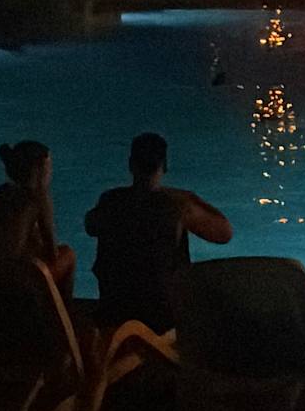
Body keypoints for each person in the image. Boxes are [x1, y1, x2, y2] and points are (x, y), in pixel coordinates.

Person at [85, 132, 232, 332]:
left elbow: (90, 226)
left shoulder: (110, 201)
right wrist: (189, 197)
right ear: (165, 166)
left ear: (131, 165)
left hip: (113, 312)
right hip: (162, 318)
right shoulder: (178, 206)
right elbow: (224, 233)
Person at [0, 140, 76, 300]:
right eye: (49, 167)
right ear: (40, 169)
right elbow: (51, 253)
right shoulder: (38, 197)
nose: (51, 171)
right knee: (68, 254)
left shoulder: (2, 192)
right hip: (13, 277)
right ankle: (63, 311)